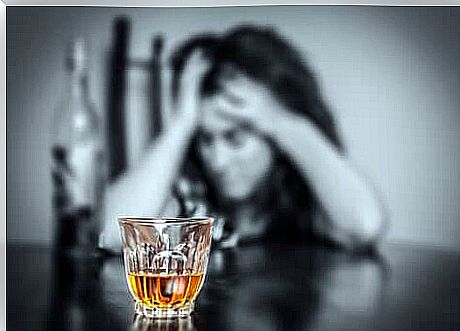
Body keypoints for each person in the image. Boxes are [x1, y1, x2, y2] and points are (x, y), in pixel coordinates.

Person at [101, 26, 388, 254]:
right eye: (205, 140)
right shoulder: (191, 195)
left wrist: (281, 120)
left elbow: (365, 226)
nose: (217, 161)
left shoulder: (308, 197)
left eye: (235, 138)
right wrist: (181, 123)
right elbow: (111, 234)